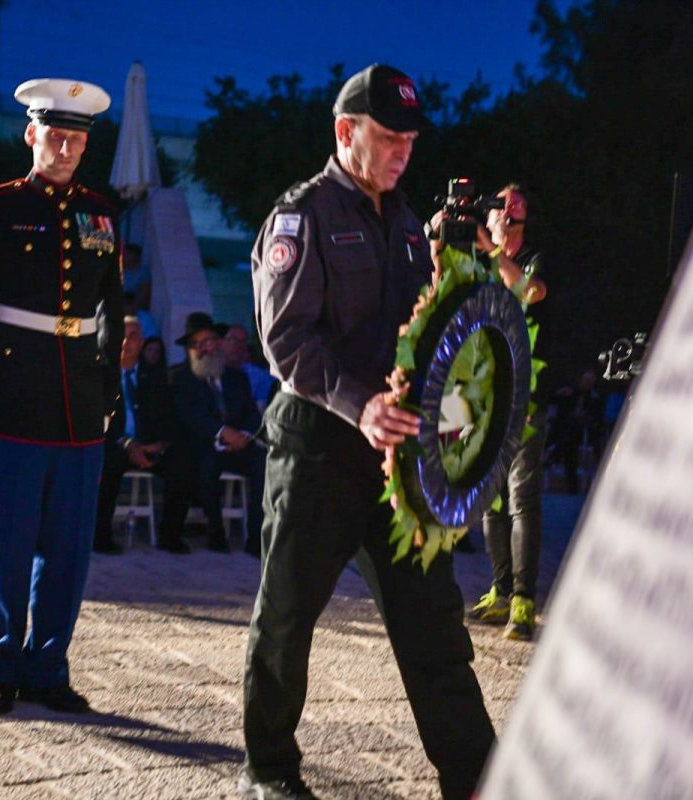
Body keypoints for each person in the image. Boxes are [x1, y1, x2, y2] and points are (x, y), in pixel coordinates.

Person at [244, 64, 496, 799]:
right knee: (286, 621)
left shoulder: (411, 227)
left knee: (434, 628)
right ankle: (270, 772)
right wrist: (360, 406)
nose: (401, 152)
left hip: (395, 466)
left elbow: (426, 341)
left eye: (410, 140)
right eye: (388, 137)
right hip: (317, 449)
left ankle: (476, 774)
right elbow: (286, 340)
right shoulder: (304, 215)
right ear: (345, 132)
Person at [0, 76, 123, 717]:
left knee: (70, 547)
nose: (68, 147)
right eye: (56, 134)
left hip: (80, 397)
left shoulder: (103, 212)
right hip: (13, 389)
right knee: (11, 542)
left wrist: (112, 395)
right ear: (31, 134)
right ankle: (1, 670)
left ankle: (49, 666)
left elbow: (113, 314)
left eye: (78, 138)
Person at [466, 184, 549, 641]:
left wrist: (489, 247)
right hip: (485, 391)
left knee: (522, 497)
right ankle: (499, 591)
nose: (506, 210)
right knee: (491, 498)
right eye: (501, 205)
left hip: (527, 391)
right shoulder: (479, 260)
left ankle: (523, 599)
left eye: (514, 206)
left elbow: (528, 290)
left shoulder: (534, 256)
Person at [95, 316, 192, 555]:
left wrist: (159, 444)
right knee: (108, 462)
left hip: (147, 445)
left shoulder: (154, 376)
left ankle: (170, 535)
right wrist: (128, 445)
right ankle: (100, 536)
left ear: (142, 343)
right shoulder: (101, 375)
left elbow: (168, 415)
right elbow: (96, 419)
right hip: (114, 443)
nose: (128, 341)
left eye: (134, 336)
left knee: (182, 461)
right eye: (123, 335)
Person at [170, 312, 265, 555]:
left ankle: (256, 538)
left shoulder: (236, 378)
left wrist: (243, 435)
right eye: (196, 344)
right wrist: (223, 433)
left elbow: (252, 413)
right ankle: (216, 534)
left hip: (239, 445)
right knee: (205, 465)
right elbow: (190, 417)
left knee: (264, 464)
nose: (204, 349)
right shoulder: (181, 377)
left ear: (219, 342)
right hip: (205, 445)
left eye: (208, 341)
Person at [221, 323, 277, 413]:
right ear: (221, 342)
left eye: (243, 341)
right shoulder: (210, 372)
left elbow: (261, 411)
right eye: (233, 340)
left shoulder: (258, 376)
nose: (239, 346)